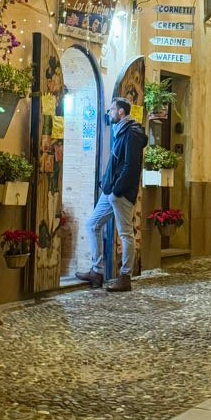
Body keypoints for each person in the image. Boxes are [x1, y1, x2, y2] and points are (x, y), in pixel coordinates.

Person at [76, 97, 147, 292]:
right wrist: (107, 184)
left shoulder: (131, 133)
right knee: (92, 224)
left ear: (121, 112)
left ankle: (125, 276)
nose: (109, 113)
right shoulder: (121, 131)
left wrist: (117, 190)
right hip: (111, 191)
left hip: (120, 192)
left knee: (125, 233)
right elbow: (117, 162)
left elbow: (130, 166)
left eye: (111, 110)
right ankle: (97, 272)